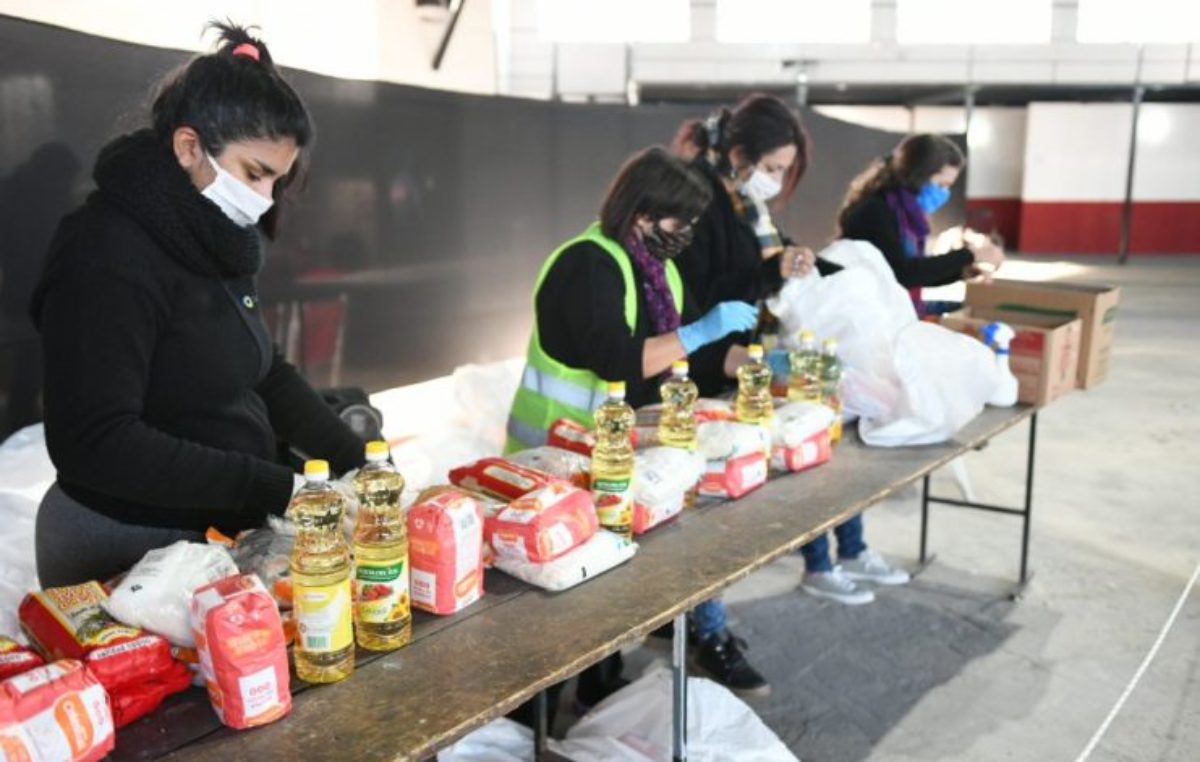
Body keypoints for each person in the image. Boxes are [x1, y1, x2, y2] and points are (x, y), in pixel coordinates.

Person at [30, 23, 366, 587]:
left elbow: (264, 373)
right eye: (254, 174)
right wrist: (277, 488)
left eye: (275, 183)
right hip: (126, 544)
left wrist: (358, 460)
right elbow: (96, 441)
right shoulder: (105, 253)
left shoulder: (214, 236)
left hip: (213, 531)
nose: (262, 202)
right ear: (189, 147)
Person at [505, 147, 770, 700]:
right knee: (560, 599)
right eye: (682, 221)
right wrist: (699, 335)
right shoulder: (587, 264)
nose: (689, 233)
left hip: (619, 458)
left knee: (614, 586)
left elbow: (692, 351)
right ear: (643, 214)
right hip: (558, 461)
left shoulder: (659, 269)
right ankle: (529, 716)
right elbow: (617, 358)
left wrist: (752, 362)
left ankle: (598, 686)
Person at [838, 133, 1005, 317]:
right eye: (941, 184)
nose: (944, 193)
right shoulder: (877, 210)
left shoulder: (906, 214)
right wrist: (972, 254)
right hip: (867, 314)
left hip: (892, 308)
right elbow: (902, 274)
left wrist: (962, 271)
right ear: (919, 174)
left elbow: (918, 275)